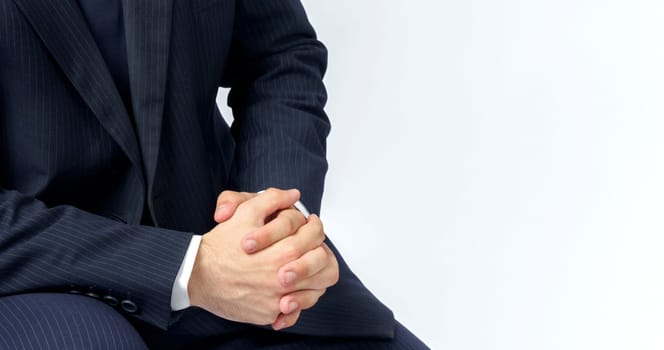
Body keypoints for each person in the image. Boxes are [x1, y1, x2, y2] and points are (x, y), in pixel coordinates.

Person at [0, 0, 428, 349]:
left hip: (227, 242)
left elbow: (279, 55)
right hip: (37, 278)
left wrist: (273, 218)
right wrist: (192, 270)